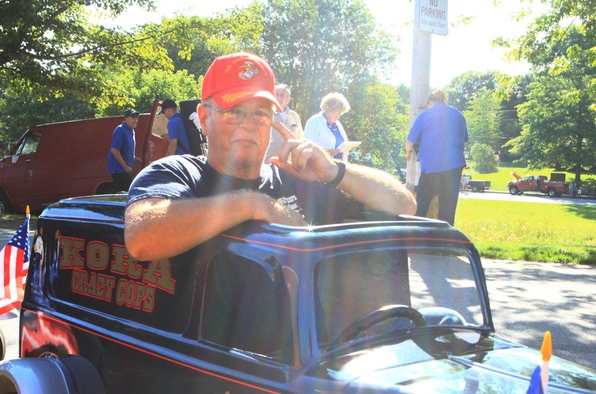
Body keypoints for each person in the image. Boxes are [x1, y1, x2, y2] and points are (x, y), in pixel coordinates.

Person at [124, 53, 414, 261]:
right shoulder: (176, 173)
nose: (248, 123)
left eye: (261, 114)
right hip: (205, 346)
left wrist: (334, 171)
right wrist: (252, 203)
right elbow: (141, 238)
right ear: (204, 118)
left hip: (306, 344)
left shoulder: (295, 179)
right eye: (233, 111)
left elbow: (405, 206)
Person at [405, 90, 468, 225]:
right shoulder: (459, 114)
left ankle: (418, 234)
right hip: (455, 165)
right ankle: (444, 240)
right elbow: (465, 139)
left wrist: (408, 151)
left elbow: (410, 141)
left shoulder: (426, 115)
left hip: (432, 165)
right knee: (448, 206)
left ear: (430, 102)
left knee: (423, 203)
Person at [303, 93, 352, 162]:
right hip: (319, 168)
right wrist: (326, 152)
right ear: (329, 109)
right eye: (338, 111)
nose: (339, 115)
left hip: (338, 168)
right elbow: (306, 147)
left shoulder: (338, 124)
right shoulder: (315, 121)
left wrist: (349, 147)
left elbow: (342, 145)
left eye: (341, 112)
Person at [264, 84, 303, 164]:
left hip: (289, 164)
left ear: (288, 99)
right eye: (276, 95)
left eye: (282, 95)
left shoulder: (294, 116)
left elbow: (300, 139)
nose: (279, 98)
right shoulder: (266, 114)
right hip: (268, 162)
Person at [108, 108, 139, 191]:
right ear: (125, 119)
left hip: (124, 170)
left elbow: (125, 149)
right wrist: (126, 167)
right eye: (133, 117)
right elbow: (114, 150)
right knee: (128, 193)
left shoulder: (131, 131)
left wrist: (134, 158)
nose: (135, 120)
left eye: (136, 118)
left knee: (122, 192)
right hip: (119, 170)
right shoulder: (121, 130)